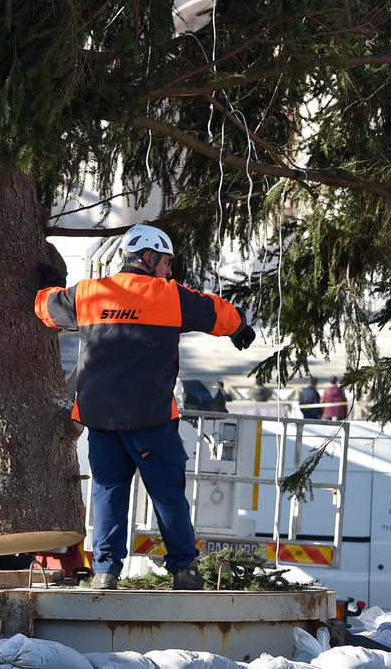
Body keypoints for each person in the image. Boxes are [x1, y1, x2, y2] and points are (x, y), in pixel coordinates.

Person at [34, 222, 256, 590]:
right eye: (166, 263)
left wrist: (49, 285)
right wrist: (239, 328)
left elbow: (46, 308)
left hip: (101, 419)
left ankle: (105, 572)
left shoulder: (90, 293)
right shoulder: (169, 296)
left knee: (108, 492)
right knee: (168, 496)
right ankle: (183, 570)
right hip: (151, 420)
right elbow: (215, 311)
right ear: (149, 258)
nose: (169, 271)